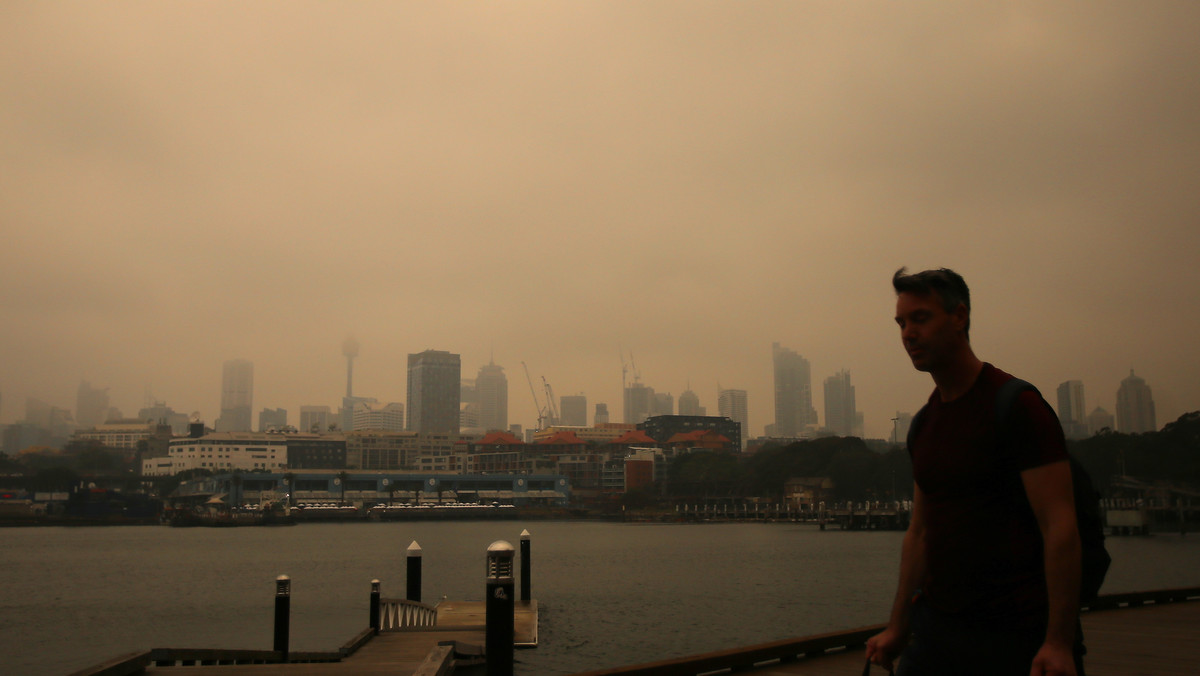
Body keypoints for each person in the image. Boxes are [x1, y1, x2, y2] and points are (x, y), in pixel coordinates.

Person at [865, 268, 1083, 676]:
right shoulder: (924, 424)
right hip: (937, 632)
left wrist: (1058, 641)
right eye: (901, 323)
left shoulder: (1016, 406)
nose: (908, 333)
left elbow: (1060, 526)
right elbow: (920, 533)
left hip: (1016, 633)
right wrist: (898, 626)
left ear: (959, 317)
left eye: (921, 318)